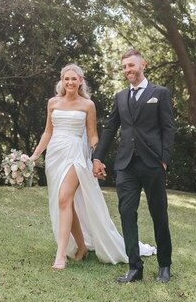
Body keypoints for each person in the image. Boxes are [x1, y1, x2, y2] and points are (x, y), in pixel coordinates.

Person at [26, 64, 155, 271]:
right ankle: (82, 247)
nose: (70, 82)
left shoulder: (87, 105)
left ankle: (61, 255)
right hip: (55, 155)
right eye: (66, 79)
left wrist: (97, 156)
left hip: (76, 154)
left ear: (80, 81)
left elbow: (93, 134)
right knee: (65, 202)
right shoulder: (53, 103)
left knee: (63, 199)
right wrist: (34, 156)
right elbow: (47, 132)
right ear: (62, 81)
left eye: (74, 79)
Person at [92, 49, 175, 283]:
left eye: (131, 65)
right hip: (125, 165)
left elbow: (168, 128)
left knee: (159, 214)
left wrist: (165, 159)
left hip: (153, 164)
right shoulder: (120, 97)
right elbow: (110, 129)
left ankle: (164, 266)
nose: (128, 70)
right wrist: (97, 157)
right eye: (124, 67)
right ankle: (134, 268)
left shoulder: (159, 93)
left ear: (143, 64)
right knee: (127, 214)